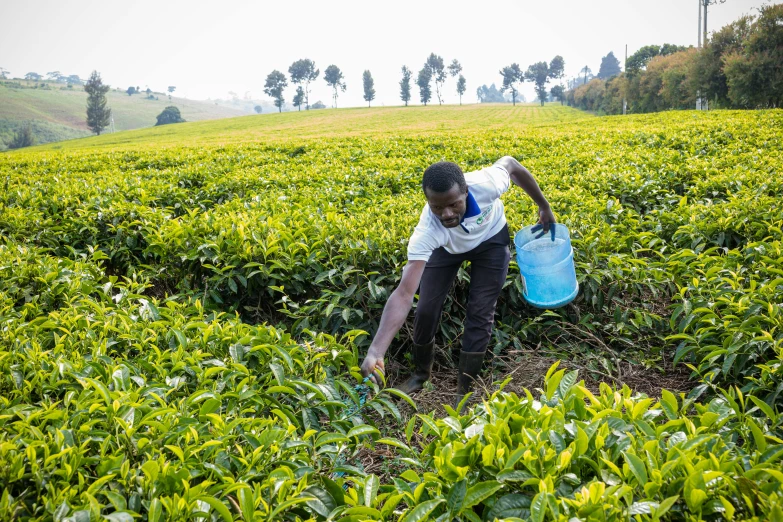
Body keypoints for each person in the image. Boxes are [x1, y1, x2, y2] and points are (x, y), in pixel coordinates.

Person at [360, 157, 555, 405]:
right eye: (437, 207)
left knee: (480, 310)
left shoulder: (487, 184)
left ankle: (465, 387)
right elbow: (404, 294)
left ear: (467, 191)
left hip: (491, 241)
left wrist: (543, 205)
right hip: (446, 249)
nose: (447, 213)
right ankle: (420, 374)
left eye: (454, 204)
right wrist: (376, 351)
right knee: (426, 308)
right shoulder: (429, 229)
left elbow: (511, 165)